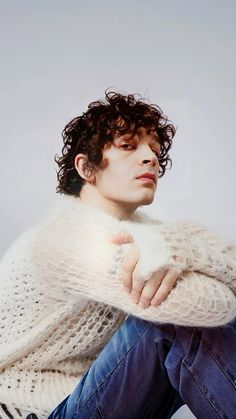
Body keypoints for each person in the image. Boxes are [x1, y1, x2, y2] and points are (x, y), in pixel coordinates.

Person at [0, 91, 235, 419]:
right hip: (38, 411)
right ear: (86, 167)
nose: (150, 158)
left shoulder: (149, 235)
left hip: (98, 398)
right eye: (128, 146)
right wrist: (182, 251)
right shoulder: (66, 237)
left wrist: (179, 243)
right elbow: (208, 309)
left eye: (154, 149)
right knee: (172, 323)